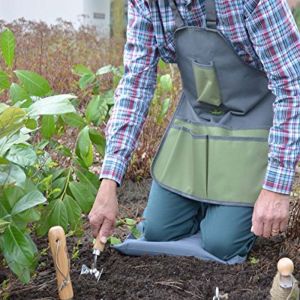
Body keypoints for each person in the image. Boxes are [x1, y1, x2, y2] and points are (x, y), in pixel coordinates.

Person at [89, 0, 300, 261]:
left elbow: (293, 86)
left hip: (254, 123)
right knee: (157, 230)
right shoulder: (145, 3)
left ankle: (222, 210)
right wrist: (109, 183)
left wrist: (276, 188)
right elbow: (135, 86)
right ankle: (210, 205)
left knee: (221, 243)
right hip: (197, 121)